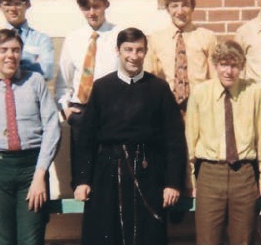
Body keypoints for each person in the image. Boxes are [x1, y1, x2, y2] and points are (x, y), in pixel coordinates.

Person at [73, 27, 187, 244]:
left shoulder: (159, 88)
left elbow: (174, 140)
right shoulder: (101, 88)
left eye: (139, 50)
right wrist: (81, 180)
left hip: (148, 171)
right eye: (128, 49)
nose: (134, 56)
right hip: (108, 172)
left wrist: (172, 182)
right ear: (118, 51)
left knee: (147, 235)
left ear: (145, 52)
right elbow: (86, 140)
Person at [0, 29, 61, 244]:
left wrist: (40, 175)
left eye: (16, 50)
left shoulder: (35, 82)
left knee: (31, 239)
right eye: (3, 50)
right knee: (3, 240)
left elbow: (52, 128)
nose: (10, 55)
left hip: (32, 169)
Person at [185, 40, 261, 244]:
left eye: (234, 65)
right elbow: (190, 138)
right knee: (207, 239)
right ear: (215, 65)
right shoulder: (200, 93)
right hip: (209, 174)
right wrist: (189, 178)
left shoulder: (254, 93)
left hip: (243, 175)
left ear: (241, 67)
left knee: (243, 239)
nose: (228, 71)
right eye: (223, 64)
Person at [55, 0, 120, 189]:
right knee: (83, 178)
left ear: (106, 5)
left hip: (111, 110)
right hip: (81, 111)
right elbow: (63, 81)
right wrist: (66, 108)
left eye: (96, 6)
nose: (92, 12)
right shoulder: (74, 39)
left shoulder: (119, 35)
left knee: (109, 172)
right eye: (86, 7)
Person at [144, 0, 217, 113]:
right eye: (174, 6)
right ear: (167, 9)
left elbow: (215, 78)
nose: (180, 11)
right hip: (167, 107)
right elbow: (149, 77)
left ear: (192, 7)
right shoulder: (156, 39)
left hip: (200, 106)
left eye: (185, 5)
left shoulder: (207, 37)